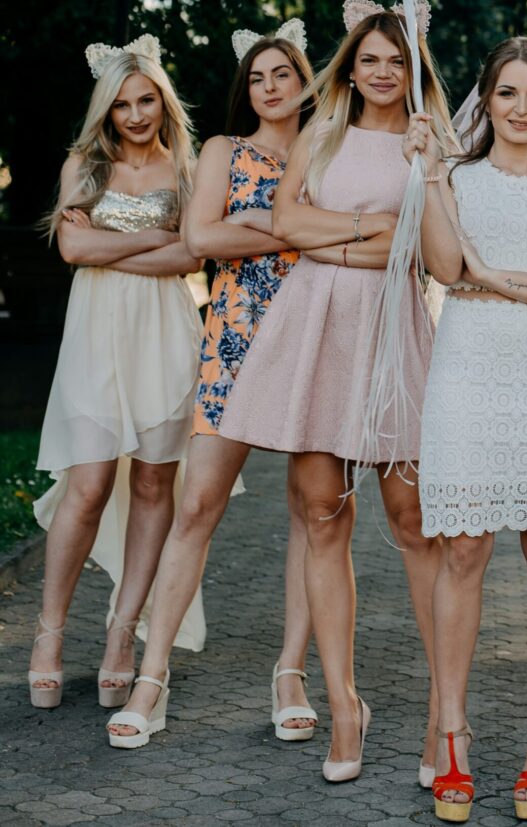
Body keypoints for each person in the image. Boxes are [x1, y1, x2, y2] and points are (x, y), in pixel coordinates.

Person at [216, 0, 452, 783]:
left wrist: (339, 223)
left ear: (413, 68)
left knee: (414, 518)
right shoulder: (320, 132)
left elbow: (422, 241)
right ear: (350, 65)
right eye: (371, 59)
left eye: (397, 60)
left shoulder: (433, 140)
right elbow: (286, 221)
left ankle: (440, 711)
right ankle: (344, 704)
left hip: (390, 330)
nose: (383, 72)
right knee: (321, 509)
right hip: (313, 324)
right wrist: (366, 233)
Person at [105, 22, 321, 748]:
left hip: (313, 335)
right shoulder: (227, 151)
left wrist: (255, 222)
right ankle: (152, 677)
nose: (269, 86)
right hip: (232, 339)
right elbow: (202, 241)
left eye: (282, 74)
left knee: (313, 511)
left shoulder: (331, 151)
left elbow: (350, 236)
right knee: (196, 504)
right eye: (258, 77)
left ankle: (290, 672)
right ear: (247, 89)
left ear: (305, 82)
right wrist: (293, 227)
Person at [406, 35, 527, 822]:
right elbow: (445, 269)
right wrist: (424, 177)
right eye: (507, 93)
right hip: (467, 373)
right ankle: (450, 729)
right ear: (485, 100)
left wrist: (498, 279)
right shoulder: (451, 180)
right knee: (464, 545)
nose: (521, 108)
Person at [29, 35, 202, 710]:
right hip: (97, 337)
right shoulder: (85, 164)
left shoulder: (185, 167)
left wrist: (121, 246)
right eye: (123, 104)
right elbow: (70, 246)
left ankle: (122, 635)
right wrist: (155, 239)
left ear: (162, 100)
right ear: (107, 110)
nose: (136, 115)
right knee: (91, 480)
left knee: (158, 480)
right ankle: (48, 633)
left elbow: (191, 258)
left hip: (165, 336)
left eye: (147, 100)